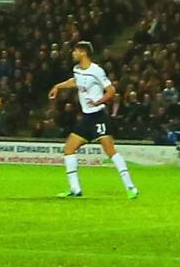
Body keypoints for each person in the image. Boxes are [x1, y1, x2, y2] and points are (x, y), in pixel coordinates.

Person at [50, 41, 138, 200]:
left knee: (110, 151)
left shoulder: (96, 71)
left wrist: (99, 101)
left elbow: (111, 90)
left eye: (75, 51)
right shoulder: (77, 69)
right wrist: (58, 86)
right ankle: (75, 189)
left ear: (83, 52)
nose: (73, 54)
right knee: (69, 149)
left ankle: (131, 187)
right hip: (86, 118)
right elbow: (75, 81)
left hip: (98, 116)